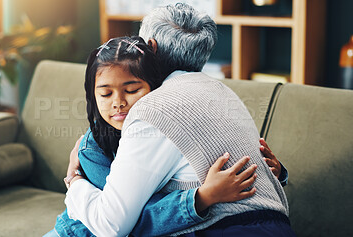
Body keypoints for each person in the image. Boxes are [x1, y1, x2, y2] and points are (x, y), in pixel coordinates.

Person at [63, 3, 294, 237]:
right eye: (105, 94)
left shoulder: (153, 109)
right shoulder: (223, 92)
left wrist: (74, 181)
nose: (118, 101)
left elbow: (111, 224)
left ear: (149, 46)